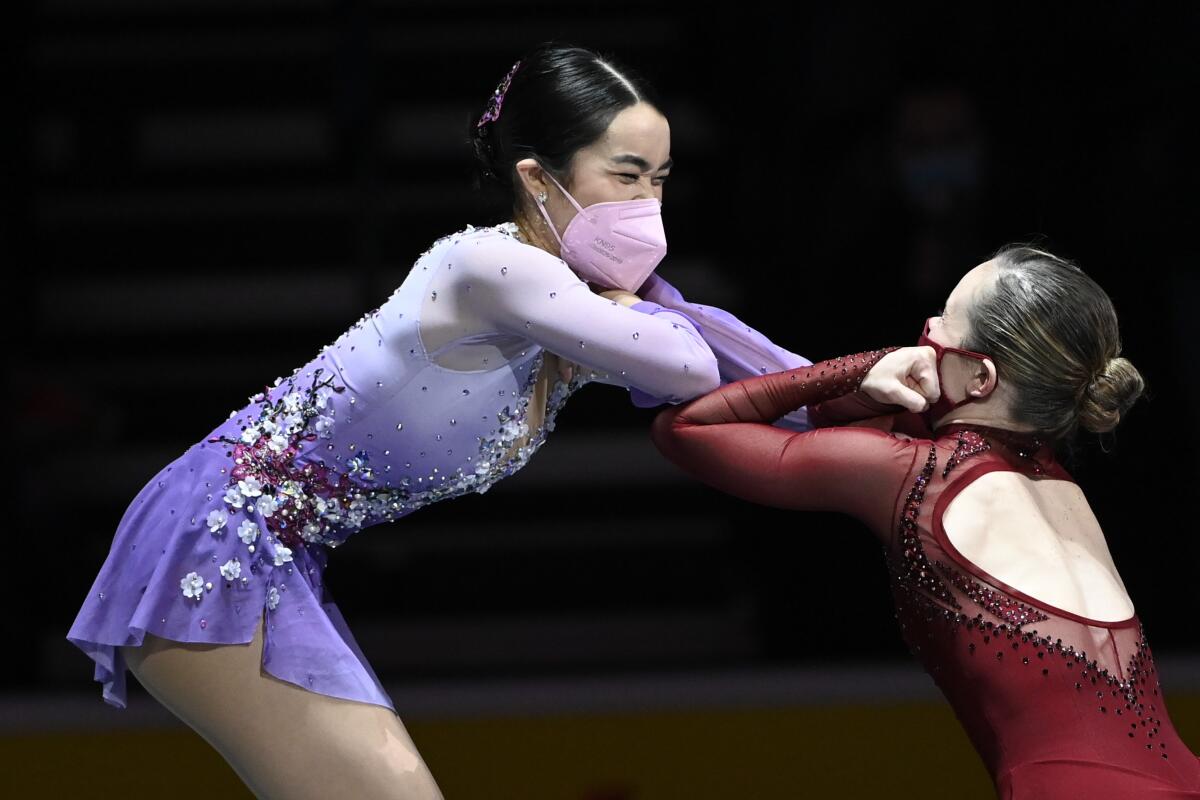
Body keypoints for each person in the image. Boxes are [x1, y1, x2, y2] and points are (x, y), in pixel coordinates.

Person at [65, 42, 817, 799]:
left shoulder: (564, 306)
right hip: (215, 537)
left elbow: (716, 368)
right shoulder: (491, 270)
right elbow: (689, 365)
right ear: (538, 179)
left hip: (280, 553)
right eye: (624, 176)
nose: (646, 205)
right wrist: (642, 308)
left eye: (658, 179)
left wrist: (858, 380)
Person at [649, 245, 1200, 797]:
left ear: (980, 378)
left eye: (942, 321)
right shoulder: (1060, 482)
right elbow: (842, 415)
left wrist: (868, 363)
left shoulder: (918, 476)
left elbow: (687, 429)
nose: (926, 330)